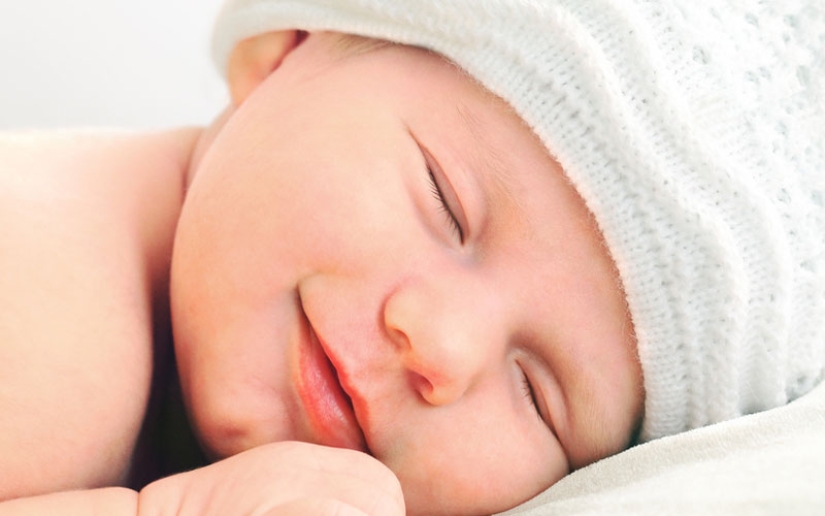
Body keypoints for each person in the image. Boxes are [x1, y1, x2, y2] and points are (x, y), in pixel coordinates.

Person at [0, 0, 822, 515]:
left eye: (537, 396)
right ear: (285, 45)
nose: (445, 347)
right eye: (444, 202)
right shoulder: (58, 303)